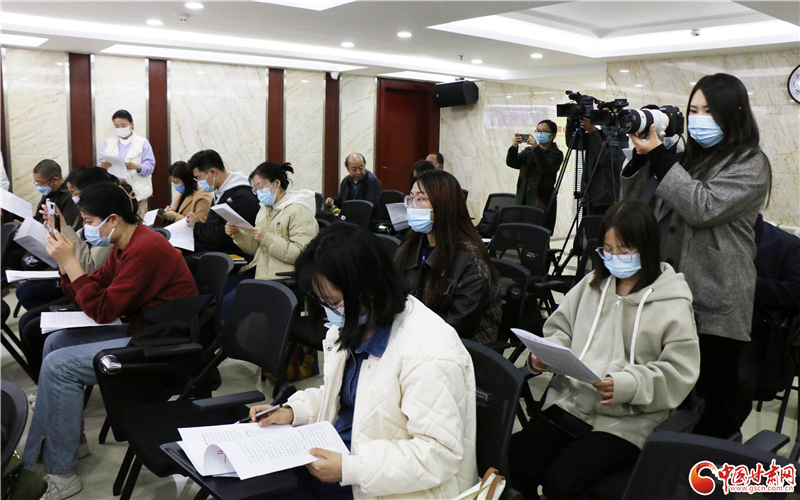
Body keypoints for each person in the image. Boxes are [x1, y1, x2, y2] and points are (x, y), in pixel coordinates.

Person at [248, 223, 477, 499]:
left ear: (369, 288)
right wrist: (292, 412)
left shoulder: (426, 351)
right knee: (250, 483)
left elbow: (439, 455)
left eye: (333, 302)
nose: (329, 312)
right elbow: (343, 395)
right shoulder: (356, 323)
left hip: (395, 487)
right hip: (346, 459)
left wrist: (351, 468)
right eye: (321, 302)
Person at [508, 200, 700, 500]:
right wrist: (548, 354)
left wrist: (626, 385)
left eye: (624, 250)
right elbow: (560, 330)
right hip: (571, 404)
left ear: (646, 248)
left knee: (562, 481)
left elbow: (679, 372)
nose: (614, 258)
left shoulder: (672, 303)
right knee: (516, 460)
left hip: (629, 419)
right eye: (608, 250)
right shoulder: (592, 285)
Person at [21, 182, 198, 500]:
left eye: (90, 221)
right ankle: (71, 440)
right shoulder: (124, 245)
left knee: (60, 367)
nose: (87, 228)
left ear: (113, 219)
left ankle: (62, 474)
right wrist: (65, 263)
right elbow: (93, 287)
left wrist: (71, 263)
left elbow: (102, 310)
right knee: (55, 342)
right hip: (143, 328)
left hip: (163, 343)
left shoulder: (145, 248)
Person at [621, 73, 771, 439]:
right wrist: (641, 160)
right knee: (669, 392)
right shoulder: (685, 158)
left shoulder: (751, 163)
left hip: (716, 299)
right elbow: (637, 206)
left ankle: (713, 467)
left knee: (713, 401)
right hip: (669, 293)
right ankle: (668, 461)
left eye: (709, 110)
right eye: (694, 110)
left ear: (734, 113)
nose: (699, 118)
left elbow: (702, 207)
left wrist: (659, 157)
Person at [18, 169, 121, 382]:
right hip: (85, 289)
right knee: (29, 316)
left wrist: (64, 231)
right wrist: (56, 232)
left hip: (100, 298)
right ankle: (45, 384)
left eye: (76, 192)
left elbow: (91, 272)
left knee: (34, 328)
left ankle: (50, 382)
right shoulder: (94, 218)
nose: (74, 197)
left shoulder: (112, 229)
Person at [395, 170, 501, 344]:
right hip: (414, 336)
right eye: (410, 198)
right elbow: (394, 294)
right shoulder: (411, 244)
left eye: (420, 199)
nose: (412, 206)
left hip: (458, 346)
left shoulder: (471, 261)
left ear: (443, 203)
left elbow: (458, 326)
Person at [220, 162, 318, 319]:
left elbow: (302, 254)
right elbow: (256, 248)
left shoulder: (299, 211)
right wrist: (238, 234)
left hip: (283, 277)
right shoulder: (265, 210)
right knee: (222, 288)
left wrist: (266, 238)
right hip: (261, 270)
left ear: (277, 183)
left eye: (260, 187)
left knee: (232, 302)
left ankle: (237, 334)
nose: (258, 192)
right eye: (255, 189)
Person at [737, 214, 800, 425]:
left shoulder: (785, 244)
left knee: (736, 384)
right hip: (701, 331)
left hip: (755, 339)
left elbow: (796, 294)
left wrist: (745, 283)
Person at [186, 150, 259, 255]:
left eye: (199, 177)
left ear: (212, 172)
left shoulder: (242, 196)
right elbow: (214, 225)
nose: (198, 182)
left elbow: (227, 236)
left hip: (233, 253)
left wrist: (197, 226)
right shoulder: (220, 192)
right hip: (214, 248)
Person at [505, 120, 563, 231]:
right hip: (523, 199)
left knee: (537, 233)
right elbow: (512, 163)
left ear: (552, 135)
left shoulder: (556, 154)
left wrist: (537, 148)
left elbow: (545, 168)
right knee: (520, 232)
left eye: (544, 131)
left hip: (540, 202)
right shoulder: (528, 151)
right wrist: (514, 147)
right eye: (538, 131)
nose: (540, 133)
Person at [98, 110, 155, 218]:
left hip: (137, 192)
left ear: (131, 124)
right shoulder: (109, 143)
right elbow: (100, 164)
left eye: (123, 125)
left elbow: (150, 166)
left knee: (137, 222)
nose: (120, 128)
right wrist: (102, 166)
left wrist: (137, 167)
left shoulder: (142, 142)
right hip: (115, 190)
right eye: (116, 126)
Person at [578, 118, 627, 216]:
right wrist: (571, 123)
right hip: (589, 195)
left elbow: (604, 159)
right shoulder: (596, 136)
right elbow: (575, 144)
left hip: (607, 198)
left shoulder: (619, 141)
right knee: (588, 225)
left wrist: (592, 131)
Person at [321, 153, 381, 220]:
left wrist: (347, 212)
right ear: (348, 169)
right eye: (354, 170)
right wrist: (330, 201)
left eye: (361, 168)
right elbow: (341, 201)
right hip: (346, 218)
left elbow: (372, 208)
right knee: (321, 215)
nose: (358, 172)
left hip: (364, 220)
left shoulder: (372, 181)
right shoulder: (346, 181)